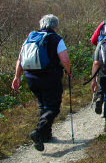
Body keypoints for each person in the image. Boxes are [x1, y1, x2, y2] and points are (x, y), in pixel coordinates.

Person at [12, 14, 72, 151]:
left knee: (42, 104)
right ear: (55, 26)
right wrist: (68, 71)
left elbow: (20, 59)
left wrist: (17, 77)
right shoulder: (56, 39)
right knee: (53, 107)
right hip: (50, 78)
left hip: (31, 78)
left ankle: (46, 135)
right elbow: (64, 59)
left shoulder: (30, 38)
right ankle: (38, 132)